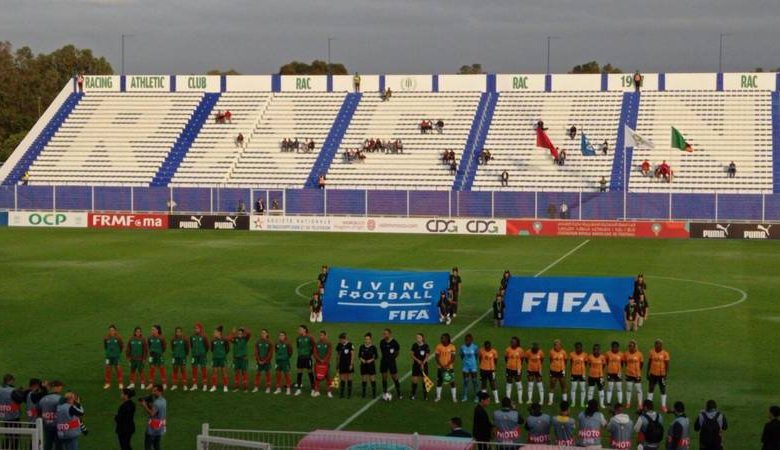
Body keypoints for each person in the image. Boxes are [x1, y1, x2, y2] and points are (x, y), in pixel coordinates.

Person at [0, 374, 24, 449]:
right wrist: (20, 392)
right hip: (14, 417)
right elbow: (20, 400)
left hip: (4, 416)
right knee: (15, 437)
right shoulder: (13, 391)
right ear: (10, 381)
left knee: (7, 436)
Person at [40, 380, 64, 450]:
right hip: (57, 426)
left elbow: (39, 410)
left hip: (47, 425)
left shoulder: (43, 399)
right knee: (59, 445)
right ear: (56, 387)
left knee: (48, 444)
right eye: (60, 387)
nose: (61, 389)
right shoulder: (60, 399)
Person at [647, 339, 670, 412]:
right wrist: (647, 372)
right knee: (651, 388)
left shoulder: (665, 353)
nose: (657, 345)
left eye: (658, 344)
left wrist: (666, 374)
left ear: (661, 345)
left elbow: (667, 365)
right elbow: (649, 362)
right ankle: (648, 405)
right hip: (653, 374)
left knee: (662, 389)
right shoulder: (651, 352)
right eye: (656, 344)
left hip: (661, 375)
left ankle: (663, 406)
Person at [141, 385, 166, 450]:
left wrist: (144, 406)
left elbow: (152, 414)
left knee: (147, 447)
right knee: (156, 445)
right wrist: (150, 406)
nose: (153, 392)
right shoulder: (164, 400)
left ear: (160, 392)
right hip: (160, 426)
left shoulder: (156, 403)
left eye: (155, 391)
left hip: (152, 428)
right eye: (152, 391)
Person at [293, 325, 316, 396]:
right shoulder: (298, 338)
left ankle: (313, 389)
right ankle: (299, 389)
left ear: (304, 330)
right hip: (300, 357)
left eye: (300, 329)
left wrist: (310, 354)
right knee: (299, 372)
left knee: (310, 372)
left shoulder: (310, 337)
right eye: (299, 329)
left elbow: (314, 346)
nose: (299, 330)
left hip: (307, 358)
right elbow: (298, 346)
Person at [379, 328, 402, 399]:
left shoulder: (394, 343)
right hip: (384, 362)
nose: (384, 335)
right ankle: (385, 392)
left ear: (389, 334)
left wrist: (393, 357)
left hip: (392, 362)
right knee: (384, 377)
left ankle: (399, 393)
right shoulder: (382, 342)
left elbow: (397, 352)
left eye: (386, 333)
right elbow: (382, 351)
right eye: (384, 334)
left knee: (394, 377)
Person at [434, 333, 457, 402]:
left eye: (442, 338)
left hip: (449, 367)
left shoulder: (452, 347)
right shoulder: (438, 346)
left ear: (447, 339)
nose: (441, 339)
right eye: (441, 338)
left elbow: (453, 358)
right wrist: (441, 366)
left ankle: (454, 397)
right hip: (440, 368)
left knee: (452, 382)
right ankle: (438, 397)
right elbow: (436, 357)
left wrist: (447, 366)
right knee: (439, 382)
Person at [229, 327, 251, 392]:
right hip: (236, 359)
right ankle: (236, 387)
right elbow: (229, 339)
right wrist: (232, 333)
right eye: (238, 333)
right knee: (236, 373)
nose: (239, 334)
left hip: (243, 359)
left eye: (241, 333)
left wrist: (244, 329)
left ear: (243, 334)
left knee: (244, 373)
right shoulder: (235, 339)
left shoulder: (245, 339)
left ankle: (245, 388)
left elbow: (249, 333)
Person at [189, 323, 209, 392]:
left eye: (197, 328)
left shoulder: (204, 336)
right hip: (194, 356)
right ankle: (194, 385)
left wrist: (203, 352)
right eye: (195, 328)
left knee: (203, 369)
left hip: (202, 356)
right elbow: (191, 345)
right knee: (194, 370)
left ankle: (205, 385)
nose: (196, 329)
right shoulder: (192, 337)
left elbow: (207, 346)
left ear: (200, 329)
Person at [209, 326, 230, 392]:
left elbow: (227, 349)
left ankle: (225, 386)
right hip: (215, 358)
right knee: (214, 372)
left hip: (222, 358)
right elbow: (212, 349)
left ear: (219, 333)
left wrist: (222, 354)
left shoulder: (224, 340)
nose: (214, 333)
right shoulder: (213, 340)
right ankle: (214, 386)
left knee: (224, 372)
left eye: (215, 332)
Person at [409, 333, 430, 400]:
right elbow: (412, 355)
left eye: (419, 337)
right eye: (417, 337)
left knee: (424, 381)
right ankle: (413, 395)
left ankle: (425, 396)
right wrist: (418, 361)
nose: (417, 338)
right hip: (416, 365)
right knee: (414, 380)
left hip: (424, 365)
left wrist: (423, 363)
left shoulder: (426, 346)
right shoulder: (414, 345)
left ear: (422, 338)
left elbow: (427, 355)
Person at [252, 329, 274, 393]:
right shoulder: (258, 342)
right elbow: (256, 352)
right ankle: (256, 387)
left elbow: (270, 353)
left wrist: (265, 360)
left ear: (267, 334)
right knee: (258, 374)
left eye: (264, 333)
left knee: (268, 374)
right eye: (262, 333)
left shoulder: (270, 342)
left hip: (267, 362)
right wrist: (258, 360)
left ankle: (268, 387)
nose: (262, 334)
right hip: (259, 361)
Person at [624, 339, 644, 409]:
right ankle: (628, 403)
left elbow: (641, 363)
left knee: (638, 390)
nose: (630, 347)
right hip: (629, 374)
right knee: (629, 389)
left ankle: (640, 404)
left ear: (635, 346)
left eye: (631, 346)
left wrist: (638, 370)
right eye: (629, 346)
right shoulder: (626, 353)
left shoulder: (639, 354)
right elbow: (625, 363)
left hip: (637, 374)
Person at [313, 330, 333, 398]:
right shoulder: (317, 343)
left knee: (328, 377)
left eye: (322, 335)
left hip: (326, 363)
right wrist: (319, 359)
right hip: (318, 363)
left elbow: (329, 353)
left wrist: (324, 360)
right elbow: (315, 353)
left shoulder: (328, 343)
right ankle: (317, 391)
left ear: (325, 336)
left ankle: (329, 391)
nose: (320, 336)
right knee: (317, 377)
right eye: (320, 335)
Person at [104, 325, 125, 390]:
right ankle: (107, 383)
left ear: (115, 331)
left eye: (112, 330)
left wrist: (118, 353)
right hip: (108, 357)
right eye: (110, 330)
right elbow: (105, 346)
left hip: (116, 357)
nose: (111, 331)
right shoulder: (106, 338)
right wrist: (108, 353)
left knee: (118, 369)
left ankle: (120, 383)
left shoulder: (118, 338)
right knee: (108, 369)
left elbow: (122, 346)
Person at [459, 333, 479, 402]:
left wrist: (473, 362)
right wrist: (465, 361)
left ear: (472, 340)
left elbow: (476, 356)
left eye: (469, 340)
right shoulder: (462, 347)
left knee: (474, 381)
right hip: (465, 366)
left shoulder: (475, 347)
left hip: (473, 366)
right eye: (466, 340)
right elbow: (461, 355)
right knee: (466, 381)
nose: (467, 341)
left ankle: (476, 396)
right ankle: (465, 396)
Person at [548, 339, 567, 406]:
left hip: (561, 370)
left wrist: (563, 368)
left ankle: (565, 401)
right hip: (553, 370)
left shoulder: (563, 352)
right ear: (554, 345)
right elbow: (550, 360)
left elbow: (565, 361)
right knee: (552, 384)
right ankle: (550, 401)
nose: (558, 346)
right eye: (556, 345)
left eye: (559, 345)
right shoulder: (551, 352)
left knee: (563, 385)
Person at [358, 333, 378, 399]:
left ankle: (374, 394)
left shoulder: (373, 347)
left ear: (371, 340)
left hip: (371, 365)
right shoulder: (362, 347)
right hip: (363, 365)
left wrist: (371, 360)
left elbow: (376, 356)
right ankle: (363, 393)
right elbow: (359, 356)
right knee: (364, 379)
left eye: (368, 339)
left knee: (372, 379)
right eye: (366, 339)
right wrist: (362, 359)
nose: (367, 340)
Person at [586, 343, 607, 408]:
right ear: (593, 350)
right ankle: (589, 403)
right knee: (590, 390)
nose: (596, 351)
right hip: (591, 376)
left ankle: (601, 404)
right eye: (595, 350)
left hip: (600, 376)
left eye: (597, 350)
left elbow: (603, 365)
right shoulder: (590, 357)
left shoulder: (602, 357)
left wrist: (600, 372)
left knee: (601, 390)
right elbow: (589, 364)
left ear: (599, 350)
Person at [147, 325, 167, 390]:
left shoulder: (161, 338)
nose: (152, 331)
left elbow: (164, 347)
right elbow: (149, 346)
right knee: (152, 368)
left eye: (153, 329)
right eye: (152, 329)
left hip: (159, 355)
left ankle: (164, 384)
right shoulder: (150, 338)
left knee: (161, 368)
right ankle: (151, 384)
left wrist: (160, 352)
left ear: (157, 330)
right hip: (152, 355)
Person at [169, 327, 189, 391]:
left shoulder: (185, 339)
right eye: (177, 332)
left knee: (183, 369)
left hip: (182, 356)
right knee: (175, 369)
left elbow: (187, 348)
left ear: (181, 332)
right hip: (175, 357)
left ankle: (185, 385)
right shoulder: (173, 339)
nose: (178, 333)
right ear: (175, 332)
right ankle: (174, 385)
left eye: (179, 332)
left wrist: (184, 354)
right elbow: (172, 347)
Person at [336, 332, 355, 398]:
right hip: (342, 364)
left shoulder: (350, 345)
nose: (340, 341)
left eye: (341, 340)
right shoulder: (339, 345)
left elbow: (352, 355)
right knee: (342, 379)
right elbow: (338, 355)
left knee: (349, 378)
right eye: (339, 340)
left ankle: (349, 394)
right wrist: (337, 364)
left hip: (348, 364)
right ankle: (342, 394)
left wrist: (351, 364)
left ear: (344, 339)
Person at [605, 341, 624, 406]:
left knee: (619, 388)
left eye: (616, 347)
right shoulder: (608, 353)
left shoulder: (621, 354)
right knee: (610, 388)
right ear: (611, 347)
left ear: (618, 347)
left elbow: (622, 363)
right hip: (610, 373)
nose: (615, 348)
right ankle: (608, 402)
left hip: (618, 373)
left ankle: (620, 403)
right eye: (613, 347)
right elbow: (607, 362)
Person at [569, 342, 588, 408]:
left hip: (582, 374)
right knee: (573, 389)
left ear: (581, 348)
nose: (578, 349)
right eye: (577, 348)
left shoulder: (585, 354)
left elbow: (585, 363)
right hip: (574, 374)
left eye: (579, 347)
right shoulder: (571, 354)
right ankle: (573, 403)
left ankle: (582, 403)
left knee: (582, 389)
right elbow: (571, 363)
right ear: (575, 348)